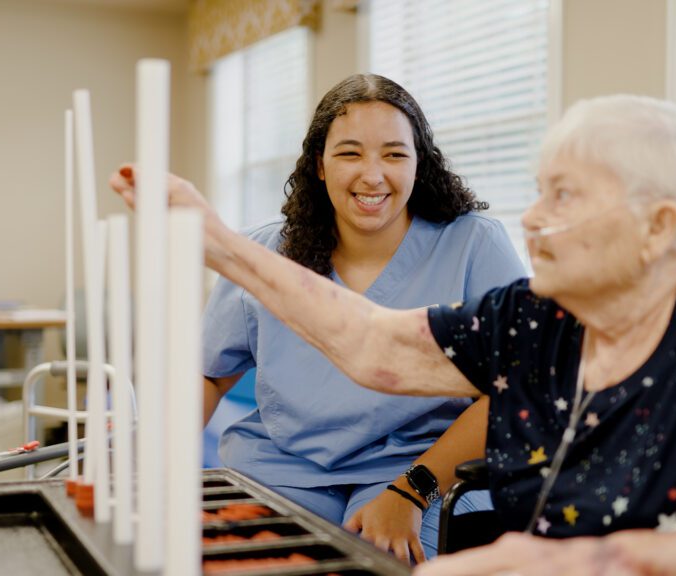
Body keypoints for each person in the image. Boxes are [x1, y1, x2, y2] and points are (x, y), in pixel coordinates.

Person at [112, 93, 676, 575]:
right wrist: (217, 242)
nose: (530, 218)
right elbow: (373, 344)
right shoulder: (535, 318)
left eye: (562, 195)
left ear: (657, 225)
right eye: (537, 191)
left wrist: (602, 561)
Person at [121, 74, 524, 562]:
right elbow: (209, 373)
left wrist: (411, 492)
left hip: (416, 468)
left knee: (382, 563)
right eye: (350, 153)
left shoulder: (473, 244)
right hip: (283, 466)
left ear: (420, 162)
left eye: (395, 154)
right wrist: (148, 463)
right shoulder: (266, 251)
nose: (372, 176)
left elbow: (514, 390)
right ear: (319, 164)